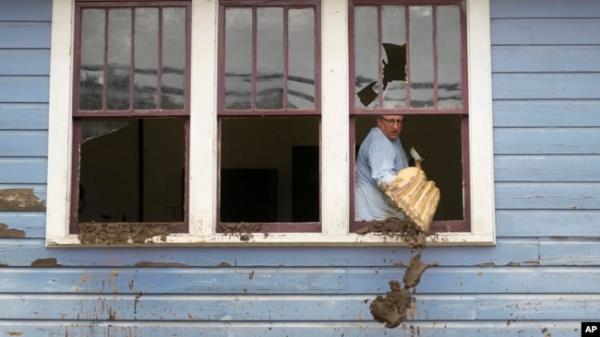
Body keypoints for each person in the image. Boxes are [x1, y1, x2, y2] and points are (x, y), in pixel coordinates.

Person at [355, 115, 408, 221]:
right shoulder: (379, 141)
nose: (395, 126)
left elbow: (395, 166)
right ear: (379, 121)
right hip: (375, 218)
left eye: (399, 121)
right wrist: (410, 184)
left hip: (384, 214)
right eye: (391, 121)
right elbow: (383, 178)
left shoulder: (393, 139)